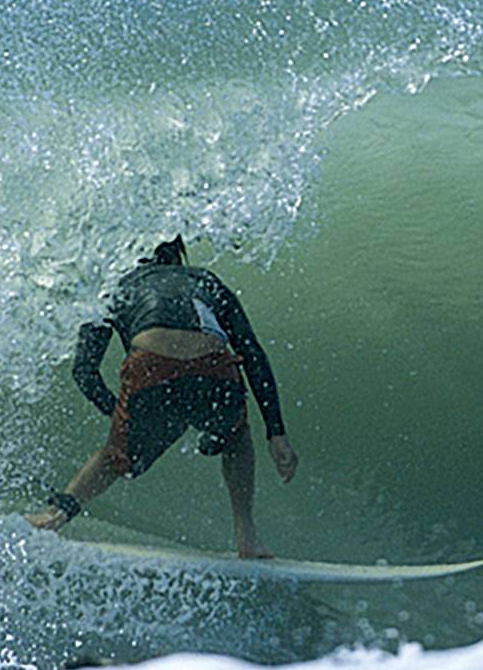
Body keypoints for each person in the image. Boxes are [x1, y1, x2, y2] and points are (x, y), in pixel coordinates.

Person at [27, 235, 299, 558]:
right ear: (175, 256)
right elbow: (251, 353)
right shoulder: (204, 279)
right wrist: (276, 433)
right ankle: (247, 536)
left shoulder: (115, 284)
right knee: (237, 435)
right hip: (215, 370)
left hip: (151, 369)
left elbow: (85, 372)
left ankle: (52, 516)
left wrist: (121, 418)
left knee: (116, 458)